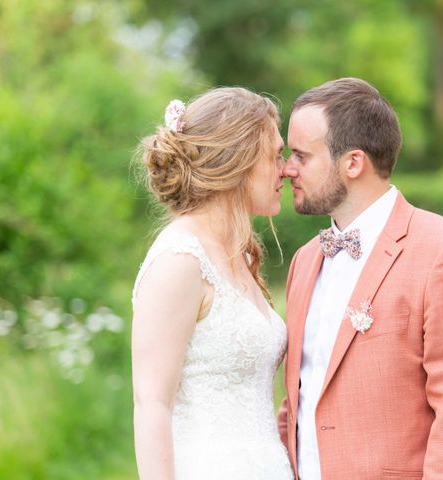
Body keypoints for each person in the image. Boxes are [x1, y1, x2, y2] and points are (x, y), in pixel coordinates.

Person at [277, 78, 443, 479]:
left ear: (353, 163)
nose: (287, 168)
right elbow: (297, 402)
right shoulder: (305, 262)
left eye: (301, 156)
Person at [131, 87, 293, 479]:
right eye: (275, 155)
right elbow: (151, 403)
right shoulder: (180, 260)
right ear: (239, 160)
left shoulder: (238, 254)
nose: (286, 169)